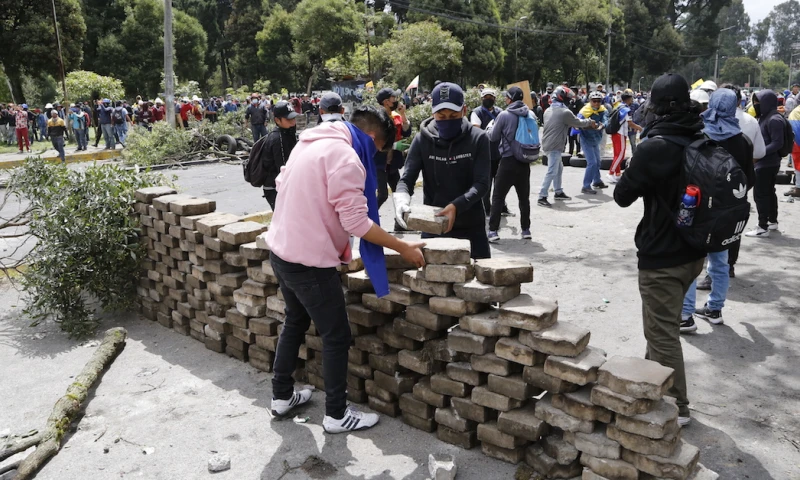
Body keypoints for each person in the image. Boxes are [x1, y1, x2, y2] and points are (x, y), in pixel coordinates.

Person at [266, 105, 425, 433]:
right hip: (308, 261)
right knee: (337, 335)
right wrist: (403, 246)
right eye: (380, 149)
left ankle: (282, 396)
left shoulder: (309, 141)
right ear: (371, 138)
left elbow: (283, 183)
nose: (376, 156)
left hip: (281, 251)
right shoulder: (346, 157)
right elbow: (356, 222)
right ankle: (337, 415)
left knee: (295, 320)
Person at [613, 73, 707, 427]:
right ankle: (651, 383)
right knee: (659, 326)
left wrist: (640, 153)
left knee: (662, 334)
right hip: (693, 254)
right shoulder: (700, 136)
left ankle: (676, 408)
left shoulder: (656, 146)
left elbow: (622, 196)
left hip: (662, 258)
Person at [681, 88, 754, 332]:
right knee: (720, 262)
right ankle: (714, 309)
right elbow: (748, 179)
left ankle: (686, 314)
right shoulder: (743, 141)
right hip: (727, 212)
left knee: (692, 260)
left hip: (698, 208)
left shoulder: (699, 134)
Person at [394, 82, 491, 259]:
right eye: (441, 116)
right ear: (432, 112)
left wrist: (456, 206)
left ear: (464, 110)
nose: (447, 120)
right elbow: (406, 179)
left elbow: (482, 183)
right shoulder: (422, 140)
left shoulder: (478, 138)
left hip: (471, 227)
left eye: (453, 115)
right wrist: (401, 198)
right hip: (433, 227)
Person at [486, 86, 533, 242]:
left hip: (507, 161)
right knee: (524, 198)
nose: (505, 99)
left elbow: (493, 137)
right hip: (525, 161)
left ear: (510, 98)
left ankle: (493, 231)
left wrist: (489, 129)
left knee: (498, 197)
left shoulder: (504, 115)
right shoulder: (530, 113)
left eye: (506, 96)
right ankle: (526, 230)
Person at [539, 86, 595, 207]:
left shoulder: (548, 110)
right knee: (552, 170)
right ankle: (542, 196)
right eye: (568, 99)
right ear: (563, 98)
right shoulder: (565, 112)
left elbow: (560, 124)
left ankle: (558, 191)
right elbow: (578, 123)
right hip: (554, 145)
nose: (570, 101)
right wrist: (590, 122)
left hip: (549, 143)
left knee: (559, 168)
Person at [745, 90, 785, 238]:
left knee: (761, 194)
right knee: (769, 192)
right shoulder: (765, 117)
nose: (756, 105)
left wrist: (759, 154)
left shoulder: (774, 119)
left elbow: (777, 143)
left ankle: (762, 226)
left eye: (758, 102)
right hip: (765, 162)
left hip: (767, 163)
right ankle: (772, 221)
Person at [374, 88, 411, 213]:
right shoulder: (377, 118)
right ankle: (366, 219)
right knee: (383, 195)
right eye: (393, 98)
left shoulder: (395, 116)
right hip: (380, 163)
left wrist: (403, 114)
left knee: (399, 194)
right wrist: (395, 146)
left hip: (392, 163)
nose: (396, 100)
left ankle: (399, 224)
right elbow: (376, 142)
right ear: (386, 102)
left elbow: (406, 132)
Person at [470, 88, 505, 217]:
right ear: (481, 99)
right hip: (484, 154)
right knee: (487, 183)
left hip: (500, 152)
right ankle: (487, 208)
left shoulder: (501, 113)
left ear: (495, 99)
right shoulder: (476, 113)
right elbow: (476, 131)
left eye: (490, 97)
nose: (488, 99)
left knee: (501, 182)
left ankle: (502, 206)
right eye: (486, 97)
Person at [260, 101, 298, 210]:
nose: (293, 122)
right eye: (288, 119)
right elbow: (283, 168)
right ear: (277, 120)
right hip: (275, 188)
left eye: (293, 118)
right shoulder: (278, 139)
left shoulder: (287, 133)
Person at [577, 91, 610, 194]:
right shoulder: (584, 112)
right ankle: (586, 186)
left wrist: (602, 125)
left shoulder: (603, 110)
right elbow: (577, 123)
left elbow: (606, 120)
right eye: (594, 101)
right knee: (592, 163)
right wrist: (588, 125)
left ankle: (597, 181)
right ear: (590, 101)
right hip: (586, 139)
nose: (596, 103)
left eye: (598, 101)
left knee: (598, 162)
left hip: (596, 139)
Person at [607, 90, 642, 183]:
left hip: (614, 133)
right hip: (621, 133)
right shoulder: (626, 109)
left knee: (616, 154)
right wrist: (640, 128)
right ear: (629, 99)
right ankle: (611, 173)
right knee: (621, 155)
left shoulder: (618, 106)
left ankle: (617, 174)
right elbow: (630, 123)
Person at [567, 93, 584, 157]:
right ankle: (570, 153)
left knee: (577, 140)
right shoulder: (570, 102)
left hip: (577, 122)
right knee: (570, 140)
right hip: (570, 123)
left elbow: (581, 113)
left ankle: (578, 153)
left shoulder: (580, 102)